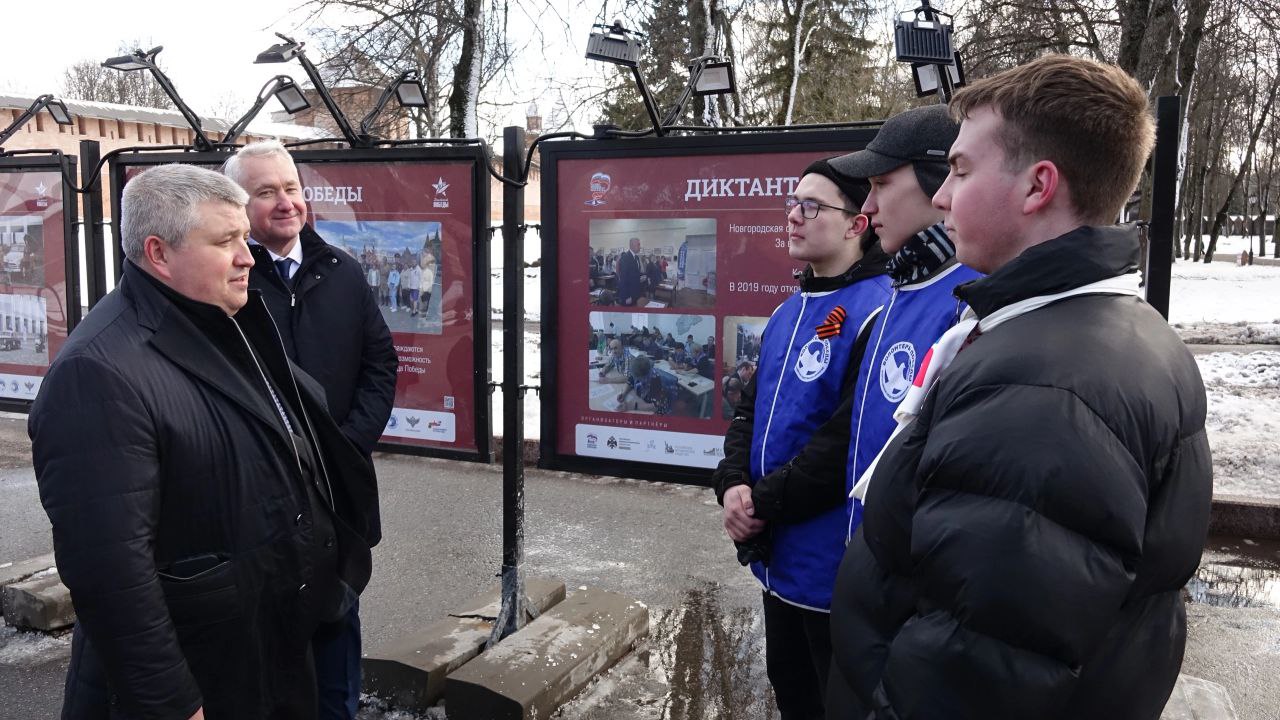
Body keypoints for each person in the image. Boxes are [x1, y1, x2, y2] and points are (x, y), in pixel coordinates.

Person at [827, 54, 1213, 720]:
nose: (942, 196)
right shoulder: (1111, 329)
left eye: (960, 169)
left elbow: (975, 674)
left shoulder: (1040, 392)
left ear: (1037, 187)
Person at [29, 164, 378, 719]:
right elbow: (111, 574)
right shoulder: (98, 374)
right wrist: (174, 704)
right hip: (199, 678)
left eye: (245, 237)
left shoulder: (220, 317)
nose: (248, 256)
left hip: (264, 649)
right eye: (225, 241)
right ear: (159, 253)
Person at [711, 160, 892, 720]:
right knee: (790, 691)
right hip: (776, 556)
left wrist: (759, 504)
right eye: (792, 203)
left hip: (831, 566)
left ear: (856, 224)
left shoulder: (881, 309)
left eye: (812, 206)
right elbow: (748, 410)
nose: (793, 215)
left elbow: (847, 441)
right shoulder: (788, 312)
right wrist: (732, 484)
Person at [224, 140, 398, 720]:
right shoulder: (225, 284)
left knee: (339, 621)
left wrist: (349, 444)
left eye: (291, 188)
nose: (284, 203)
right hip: (259, 499)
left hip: (338, 494)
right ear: (238, 204)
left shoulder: (342, 272)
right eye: (265, 191)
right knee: (266, 643)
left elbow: (380, 363)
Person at [823, 104, 983, 551]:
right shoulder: (903, 287)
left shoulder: (972, 300)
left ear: (938, 181)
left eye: (881, 183)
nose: (869, 205)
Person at [616, 237, 642, 306]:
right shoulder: (625, 257)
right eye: (638, 244)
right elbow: (623, 279)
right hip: (628, 294)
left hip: (635, 292)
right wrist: (627, 296)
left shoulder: (636, 257)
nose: (640, 247)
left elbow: (635, 273)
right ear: (632, 245)